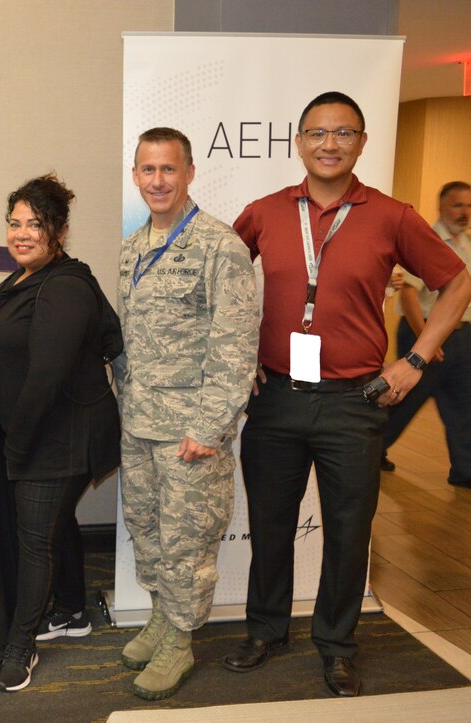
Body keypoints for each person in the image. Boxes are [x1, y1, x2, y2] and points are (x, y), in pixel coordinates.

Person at [225, 91, 471, 697]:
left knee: (348, 528)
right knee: (272, 522)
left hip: (355, 402)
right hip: (277, 396)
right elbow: (223, 283)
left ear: (361, 143)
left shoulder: (392, 216)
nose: (329, 144)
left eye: (342, 133)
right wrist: (236, 358)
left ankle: (336, 646)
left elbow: (458, 280)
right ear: (299, 141)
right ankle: (266, 629)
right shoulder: (264, 211)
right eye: (316, 133)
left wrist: (415, 360)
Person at [113, 128, 258, 700]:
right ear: (136, 176)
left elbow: (235, 345)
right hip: (140, 422)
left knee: (186, 540)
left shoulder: (220, 246)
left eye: (168, 169)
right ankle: (160, 616)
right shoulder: (131, 248)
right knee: (147, 532)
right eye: (147, 170)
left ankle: (181, 639)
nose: (158, 181)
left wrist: (210, 427)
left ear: (190, 172)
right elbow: (127, 340)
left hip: (189, 432)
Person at [0, 174, 122, 692]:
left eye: (34, 224)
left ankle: (21, 649)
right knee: (57, 523)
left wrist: (16, 441)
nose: (21, 233)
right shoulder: (26, 276)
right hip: (41, 428)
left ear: (58, 230)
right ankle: (71, 612)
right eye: (14, 223)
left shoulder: (63, 285)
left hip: (59, 437)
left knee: (34, 540)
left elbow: (46, 375)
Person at [380, 181, 471, 486]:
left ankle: (465, 470)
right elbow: (407, 293)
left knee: (463, 405)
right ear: (443, 207)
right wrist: (426, 342)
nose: (465, 212)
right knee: (404, 399)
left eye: (469, 206)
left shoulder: (466, 244)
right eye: (458, 205)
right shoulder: (428, 239)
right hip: (428, 332)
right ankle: (373, 448)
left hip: (461, 337)